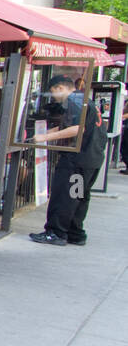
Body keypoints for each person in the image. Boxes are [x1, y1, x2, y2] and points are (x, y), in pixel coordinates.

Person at [30, 75, 107, 246]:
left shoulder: (74, 101)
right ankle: (75, 232)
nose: (55, 98)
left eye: (53, 93)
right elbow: (71, 125)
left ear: (59, 88)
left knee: (66, 196)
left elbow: (77, 128)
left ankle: (56, 232)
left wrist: (44, 136)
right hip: (91, 159)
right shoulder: (85, 99)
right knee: (78, 196)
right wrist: (49, 133)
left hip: (76, 160)